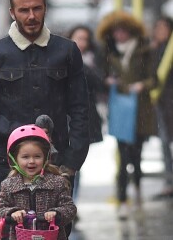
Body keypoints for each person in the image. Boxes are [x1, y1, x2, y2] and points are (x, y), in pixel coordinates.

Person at [0, 0, 90, 205]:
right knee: (12, 230)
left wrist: (73, 162)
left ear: (45, 8)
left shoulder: (67, 51)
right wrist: (18, 131)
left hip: (57, 163)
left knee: (56, 230)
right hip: (9, 163)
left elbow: (81, 108)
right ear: (12, 12)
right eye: (24, 10)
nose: (31, 16)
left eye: (37, 8)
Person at [96, 11, 157, 220]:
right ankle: (122, 197)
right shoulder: (109, 51)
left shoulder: (143, 50)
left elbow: (153, 79)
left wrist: (141, 85)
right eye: (116, 31)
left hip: (140, 110)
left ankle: (137, 188)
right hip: (120, 109)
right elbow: (102, 75)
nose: (119, 35)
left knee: (136, 155)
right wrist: (109, 81)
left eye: (122, 31)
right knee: (123, 156)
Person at [0, 124, 76, 240]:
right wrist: (11, 213)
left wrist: (56, 213)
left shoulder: (57, 182)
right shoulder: (8, 185)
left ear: (46, 158)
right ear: (14, 158)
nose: (31, 161)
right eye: (25, 157)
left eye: (37, 156)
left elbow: (70, 208)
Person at [67, 25, 105, 226]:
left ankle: (72, 204)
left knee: (76, 165)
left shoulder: (90, 63)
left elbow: (101, 83)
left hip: (84, 120)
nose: (81, 43)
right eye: (78, 38)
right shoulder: (62, 59)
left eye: (85, 39)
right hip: (64, 119)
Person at [150, 16, 173, 199]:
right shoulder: (155, 50)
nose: (160, 31)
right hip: (162, 103)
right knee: (165, 143)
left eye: (164, 28)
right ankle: (169, 181)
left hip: (168, 102)